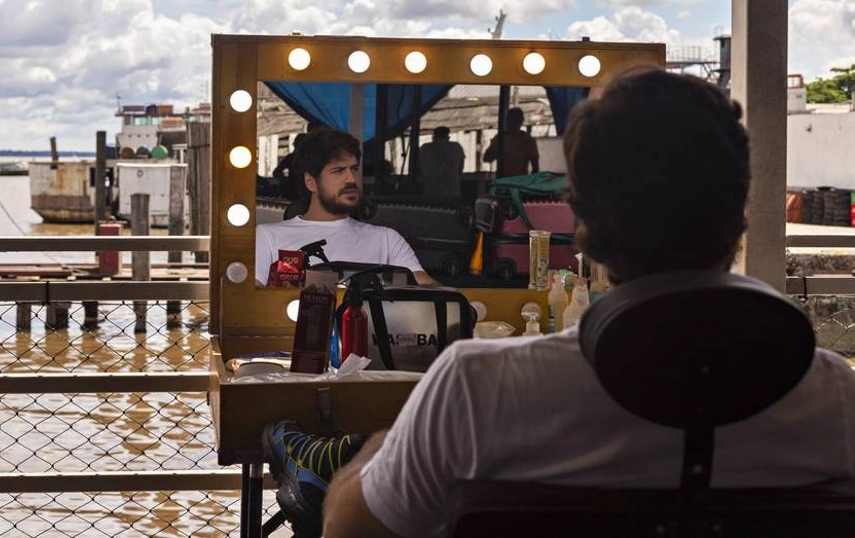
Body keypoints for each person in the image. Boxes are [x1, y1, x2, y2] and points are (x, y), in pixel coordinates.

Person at [264, 69, 855, 538]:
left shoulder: (479, 387)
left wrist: (384, 440)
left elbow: (350, 529)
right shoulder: (835, 399)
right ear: (740, 217)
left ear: (585, 228)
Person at [255, 128, 436, 286]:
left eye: (354, 169)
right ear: (311, 182)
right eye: (338, 170)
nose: (351, 179)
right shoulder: (268, 236)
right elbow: (249, 304)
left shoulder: (386, 239)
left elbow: (430, 290)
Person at [482, 107, 539, 177]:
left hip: (513, 182)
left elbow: (535, 167)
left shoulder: (527, 140)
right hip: (511, 182)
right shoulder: (501, 139)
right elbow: (487, 158)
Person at [417, 126, 465, 198]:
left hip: (431, 192)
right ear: (448, 136)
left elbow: (418, 168)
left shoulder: (425, 148)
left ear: (434, 136)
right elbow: (460, 169)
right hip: (452, 192)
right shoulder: (456, 147)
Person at [273, 133, 306, 200]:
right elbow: (276, 172)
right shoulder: (290, 158)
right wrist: (284, 181)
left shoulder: (308, 159)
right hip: (292, 192)